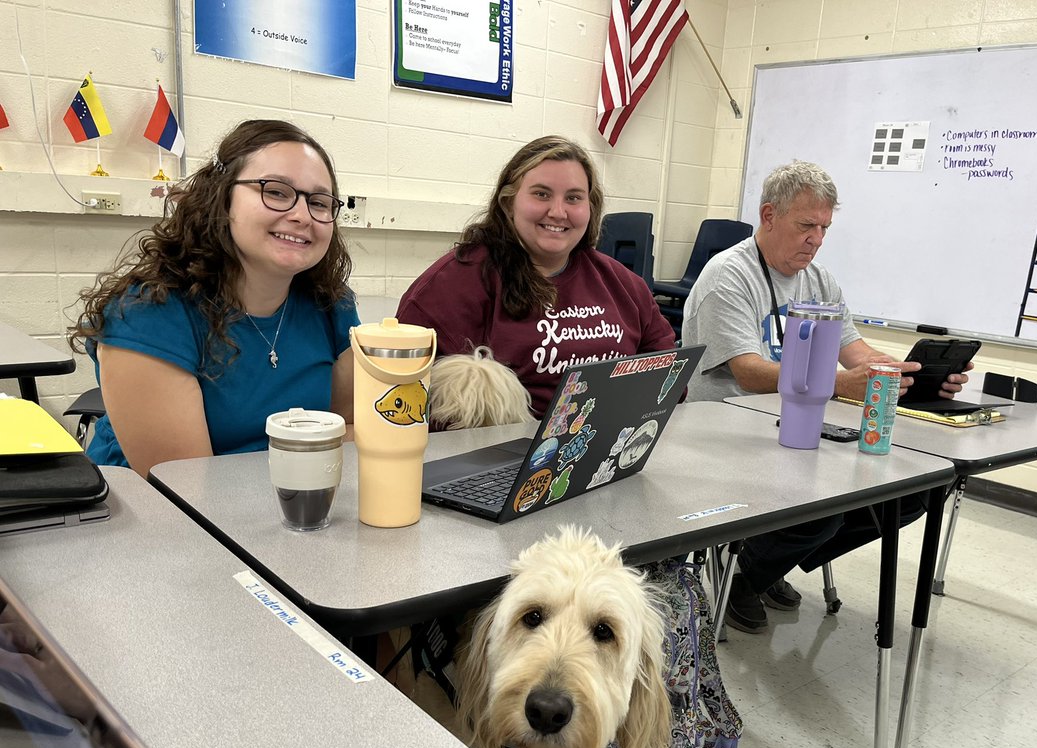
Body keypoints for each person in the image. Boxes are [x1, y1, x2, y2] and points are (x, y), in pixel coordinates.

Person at [681, 160, 970, 633]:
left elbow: (856, 353)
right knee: (823, 508)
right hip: (728, 430)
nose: (815, 239)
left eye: (824, 228)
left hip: (797, 426)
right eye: (806, 225)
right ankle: (743, 575)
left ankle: (762, 561)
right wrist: (835, 384)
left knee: (912, 494)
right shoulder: (728, 276)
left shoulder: (819, 281)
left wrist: (916, 373)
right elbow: (749, 373)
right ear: (769, 215)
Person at [70, 120, 359, 478]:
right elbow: (186, 490)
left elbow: (351, 427)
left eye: (319, 202)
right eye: (277, 191)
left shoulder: (331, 303)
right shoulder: (148, 314)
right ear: (222, 196)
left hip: (295, 507)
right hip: (158, 520)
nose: (302, 215)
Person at [395, 134, 677, 420]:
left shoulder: (623, 284)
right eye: (541, 194)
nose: (557, 212)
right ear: (508, 203)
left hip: (607, 444)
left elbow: (672, 379)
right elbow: (398, 398)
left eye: (574, 198)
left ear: (590, 208)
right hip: (495, 453)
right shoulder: (450, 285)